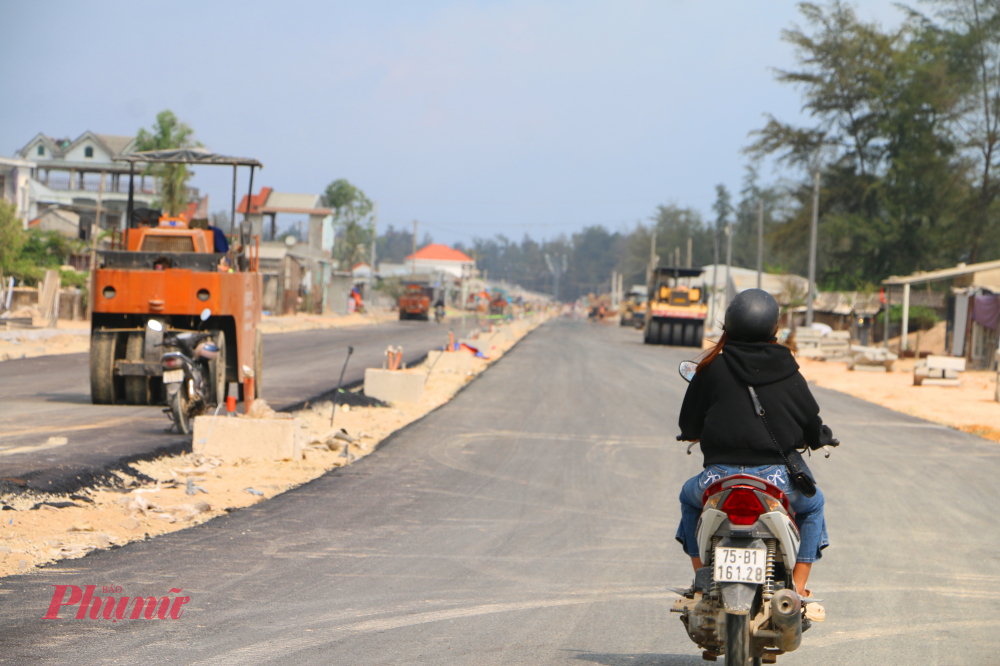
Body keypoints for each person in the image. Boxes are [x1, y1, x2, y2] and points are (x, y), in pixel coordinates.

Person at [676, 289, 832, 603]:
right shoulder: (788, 369)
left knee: (688, 497)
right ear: (774, 327)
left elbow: (688, 425)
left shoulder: (713, 369)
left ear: (729, 326)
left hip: (719, 479)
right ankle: (797, 590)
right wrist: (820, 438)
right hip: (775, 481)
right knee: (813, 506)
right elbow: (811, 421)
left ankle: (699, 578)